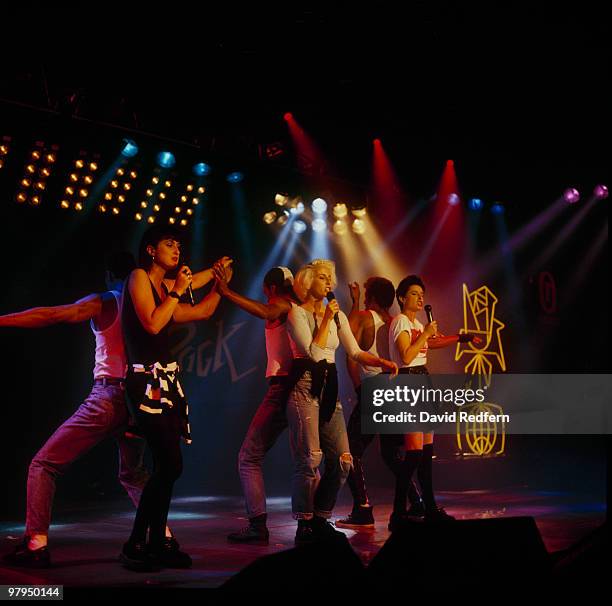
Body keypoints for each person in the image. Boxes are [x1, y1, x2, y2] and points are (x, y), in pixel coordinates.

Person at [1, 252, 151, 569]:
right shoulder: (149, 303)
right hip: (140, 401)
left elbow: (54, 314)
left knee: (43, 465)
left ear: (110, 275)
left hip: (109, 397)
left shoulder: (108, 300)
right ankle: (161, 535)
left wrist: (3, 319)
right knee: (133, 474)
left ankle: (35, 544)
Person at [119, 225, 231, 571]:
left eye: (179, 245)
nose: (177, 250)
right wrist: (180, 288)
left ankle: (154, 543)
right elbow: (153, 324)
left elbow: (202, 311)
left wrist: (219, 281)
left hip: (167, 382)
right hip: (145, 381)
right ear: (151, 250)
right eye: (169, 244)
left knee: (168, 466)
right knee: (169, 464)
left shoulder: (166, 289)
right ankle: (137, 542)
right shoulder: (139, 277)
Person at [285, 259, 398, 545]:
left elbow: (356, 351)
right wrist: (324, 318)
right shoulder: (296, 313)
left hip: (330, 387)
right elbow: (312, 350)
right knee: (310, 459)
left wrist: (382, 360)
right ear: (308, 281)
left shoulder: (338, 317)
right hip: (305, 384)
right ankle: (305, 522)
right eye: (322, 278)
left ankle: (321, 517)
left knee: (344, 460)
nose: (328, 283)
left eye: (329, 278)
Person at [384, 274, 479, 530]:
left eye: (421, 293)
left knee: (426, 455)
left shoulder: (414, 323)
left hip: (423, 381)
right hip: (408, 382)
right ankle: (397, 513)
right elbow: (406, 356)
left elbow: (430, 344)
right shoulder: (401, 321)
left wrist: (460, 338)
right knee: (413, 454)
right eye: (414, 293)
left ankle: (430, 509)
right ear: (402, 297)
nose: (420, 297)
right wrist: (425, 332)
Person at [213, 265, 299, 544]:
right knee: (308, 459)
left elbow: (266, 312)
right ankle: (314, 520)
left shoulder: (282, 304)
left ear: (269, 288)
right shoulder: (299, 305)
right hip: (303, 386)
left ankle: (257, 526)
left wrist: (225, 291)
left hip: (283, 387)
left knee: (248, 458)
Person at [336, 277, 424, 529]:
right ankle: (415, 500)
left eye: (365, 293)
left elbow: (347, 338)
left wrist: (353, 303)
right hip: (394, 390)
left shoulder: (365, 316)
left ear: (372, 297)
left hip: (375, 388)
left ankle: (362, 508)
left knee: (351, 450)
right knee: (389, 452)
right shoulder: (393, 321)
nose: (363, 297)